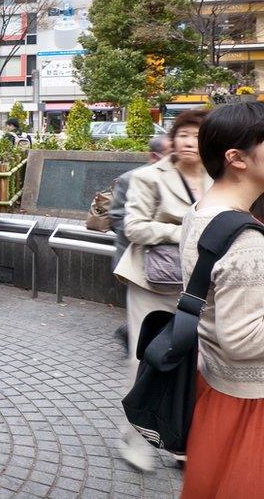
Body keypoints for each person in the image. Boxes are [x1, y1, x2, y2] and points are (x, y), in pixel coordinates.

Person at [113, 109, 211, 472]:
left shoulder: (217, 177)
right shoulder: (147, 177)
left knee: (193, 364)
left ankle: (177, 438)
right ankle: (134, 437)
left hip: (198, 284)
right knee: (145, 361)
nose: (189, 141)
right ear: (172, 139)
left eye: (197, 134)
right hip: (151, 283)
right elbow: (134, 227)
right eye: (183, 134)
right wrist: (184, 231)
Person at [178, 103, 264, 497]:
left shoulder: (201, 212)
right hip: (250, 402)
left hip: (216, 387)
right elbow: (243, 339)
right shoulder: (247, 242)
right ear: (236, 158)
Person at [110, 133, 170, 351]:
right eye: (170, 153)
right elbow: (117, 218)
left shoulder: (183, 179)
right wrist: (153, 234)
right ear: (155, 156)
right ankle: (132, 337)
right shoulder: (132, 178)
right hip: (136, 255)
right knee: (143, 309)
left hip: (169, 260)